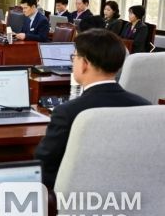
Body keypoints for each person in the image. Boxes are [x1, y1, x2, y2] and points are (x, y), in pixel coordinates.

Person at [34, 29, 150, 189]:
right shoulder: (145, 107)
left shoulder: (67, 112)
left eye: (74, 57)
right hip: (132, 194)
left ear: (84, 64)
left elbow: (42, 165)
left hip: (74, 196)